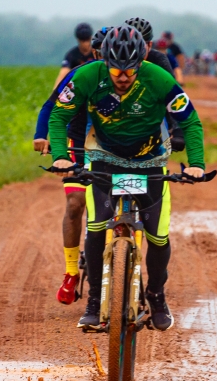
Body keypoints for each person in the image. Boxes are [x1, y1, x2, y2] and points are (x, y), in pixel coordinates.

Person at [48, 25, 206, 331]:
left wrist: (196, 164)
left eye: (130, 70)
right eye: (116, 70)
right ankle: (95, 301)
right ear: (104, 61)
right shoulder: (87, 76)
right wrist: (60, 156)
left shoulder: (159, 78)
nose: (123, 77)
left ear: (141, 61)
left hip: (149, 161)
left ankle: (156, 296)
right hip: (104, 159)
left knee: (158, 236)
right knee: (96, 228)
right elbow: (58, 115)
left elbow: (190, 120)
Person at [33, 25, 108, 304]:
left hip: (112, 148)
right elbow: (51, 105)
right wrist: (41, 135)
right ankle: (71, 272)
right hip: (78, 144)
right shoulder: (80, 74)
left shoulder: (132, 78)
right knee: (76, 203)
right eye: (102, 53)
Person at [124, 17, 184, 153]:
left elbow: (172, 97)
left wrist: (177, 130)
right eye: (130, 45)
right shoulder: (110, 60)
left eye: (140, 45)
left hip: (152, 117)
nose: (135, 51)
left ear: (150, 45)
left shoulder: (159, 60)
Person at [53, 22, 96, 87]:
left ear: (91, 38)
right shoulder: (72, 55)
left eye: (87, 40)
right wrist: (55, 90)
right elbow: (63, 74)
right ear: (78, 40)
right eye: (83, 40)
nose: (85, 43)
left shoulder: (97, 52)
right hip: (77, 86)